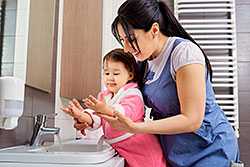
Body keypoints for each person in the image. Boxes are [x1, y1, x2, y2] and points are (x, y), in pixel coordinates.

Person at [73, 0, 242, 167]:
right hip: (177, 153)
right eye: (123, 40)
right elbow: (121, 99)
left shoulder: (184, 54)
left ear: (154, 30)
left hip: (210, 148)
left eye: (130, 39)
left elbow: (192, 120)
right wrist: (90, 118)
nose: (126, 48)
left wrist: (135, 127)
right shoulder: (144, 62)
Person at [62, 48, 167, 167]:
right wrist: (82, 115)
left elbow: (124, 113)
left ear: (130, 75)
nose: (110, 78)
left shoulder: (133, 93)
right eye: (106, 73)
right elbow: (97, 119)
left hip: (140, 148)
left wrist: (104, 109)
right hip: (121, 148)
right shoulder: (104, 96)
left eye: (116, 73)